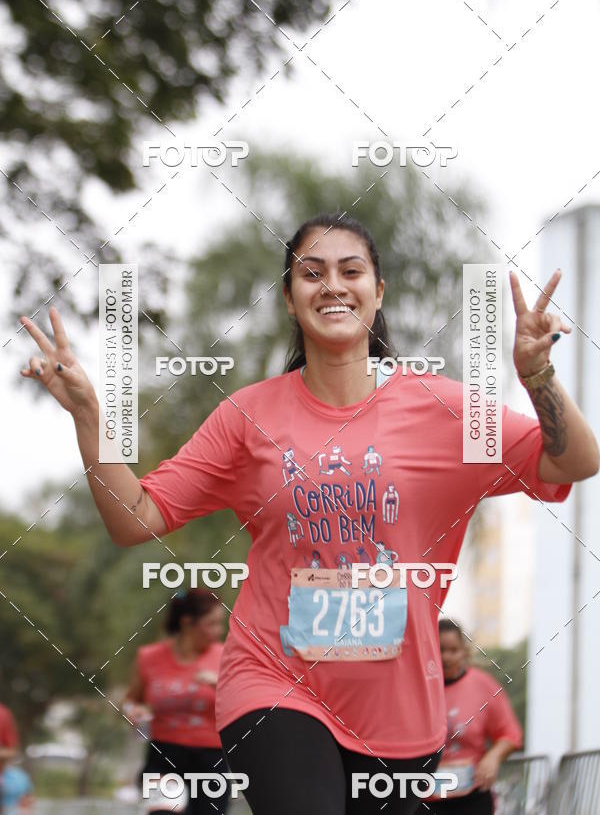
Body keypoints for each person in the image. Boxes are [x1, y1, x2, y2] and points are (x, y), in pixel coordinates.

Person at [19, 213, 599, 815]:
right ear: (290, 298)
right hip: (272, 682)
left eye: (351, 271)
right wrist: (89, 418)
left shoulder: (446, 412)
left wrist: (537, 375)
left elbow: (574, 462)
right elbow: (135, 517)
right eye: (312, 273)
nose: (332, 286)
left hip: (399, 713)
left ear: (378, 292)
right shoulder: (247, 417)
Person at [123, 588, 229, 815]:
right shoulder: (149, 657)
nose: (219, 631)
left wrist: (219, 684)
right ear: (187, 622)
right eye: (211, 624)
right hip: (163, 756)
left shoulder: (226, 657)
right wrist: (133, 711)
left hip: (211, 761)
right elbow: (131, 700)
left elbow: (242, 704)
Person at [421, 619, 522, 814]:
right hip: (424, 799)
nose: (446, 657)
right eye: (441, 650)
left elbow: (511, 734)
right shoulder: (416, 688)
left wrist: (493, 757)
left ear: (464, 652)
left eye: (453, 650)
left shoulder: (482, 685)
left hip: (472, 798)